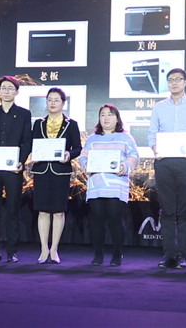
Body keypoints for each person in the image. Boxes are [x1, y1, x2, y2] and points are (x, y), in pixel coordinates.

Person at [147, 68, 186, 269]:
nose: (174, 83)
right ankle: (168, 255)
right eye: (170, 80)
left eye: (178, 79)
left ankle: (182, 255)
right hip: (164, 162)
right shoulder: (159, 107)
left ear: (185, 82)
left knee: (184, 210)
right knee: (166, 210)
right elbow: (152, 133)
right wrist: (155, 148)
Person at [0, 76, 32, 263]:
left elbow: (27, 141)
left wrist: (21, 161)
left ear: (17, 92)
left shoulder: (24, 114)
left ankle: (12, 251)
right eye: (4, 88)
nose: (7, 91)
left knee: (12, 210)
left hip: (12, 169)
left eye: (11, 88)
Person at [79, 104, 139, 267]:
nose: (106, 118)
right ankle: (98, 254)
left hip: (116, 185)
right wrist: (86, 166)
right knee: (96, 220)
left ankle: (117, 254)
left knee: (115, 219)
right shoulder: (92, 138)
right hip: (96, 185)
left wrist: (124, 166)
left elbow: (134, 156)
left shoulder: (125, 137)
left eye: (110, 114)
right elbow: (83, 157)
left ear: (117, 118)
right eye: (103, 115)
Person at [27, 88, 82, 264]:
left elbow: (78, 148)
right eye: (50, 99)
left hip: (61, 171)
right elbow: (32, 144)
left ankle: (54, 249)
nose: (52, 103)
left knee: (58, 211)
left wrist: (69, 154)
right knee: (42, 211)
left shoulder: (71, 124)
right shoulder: (38, 123)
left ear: (63, 103)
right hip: (42, 171)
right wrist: (34, 154)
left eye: (56, 100)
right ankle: (44, 249)